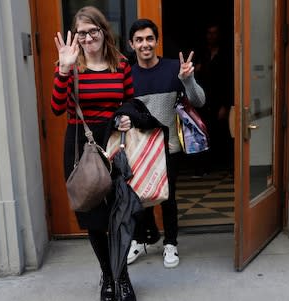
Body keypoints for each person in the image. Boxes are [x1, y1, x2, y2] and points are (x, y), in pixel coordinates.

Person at [51, 6, 135, 301]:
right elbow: (57, 107)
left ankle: (122, 274)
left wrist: (126, 116)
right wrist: (63, 70)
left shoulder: (121, 65)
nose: (88, 38)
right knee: (94, 216)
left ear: (103, 31)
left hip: (114, 143)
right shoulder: (70, 65)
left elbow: (129, 102)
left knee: (119, 215)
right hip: (81, 146)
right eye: (82, 33)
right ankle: (107, 276)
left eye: (93, 31)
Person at [126, 19, 206, 268]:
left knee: (168, 197)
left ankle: (170, 243)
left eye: (149, 38)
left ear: (157, 41)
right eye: (139, 40)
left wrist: (188, 79)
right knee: (137, 197)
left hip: (168, 146)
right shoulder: (126, 75)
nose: (145, 44)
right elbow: (121, 110)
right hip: (137, 148)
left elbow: (199, 101)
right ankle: (139, 240)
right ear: (132, 44)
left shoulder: (174, 68)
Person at [195, 23, 234, 173]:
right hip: (203, 100)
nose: (212, 36)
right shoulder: (202, 53)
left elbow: (229, 79)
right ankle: (205, 167)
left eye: (215, 33)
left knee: (221, 133)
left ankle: (225, 167)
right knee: (204, 132)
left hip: (220, 99)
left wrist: (226, 104)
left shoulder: (226, 54)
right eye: (209, 33)